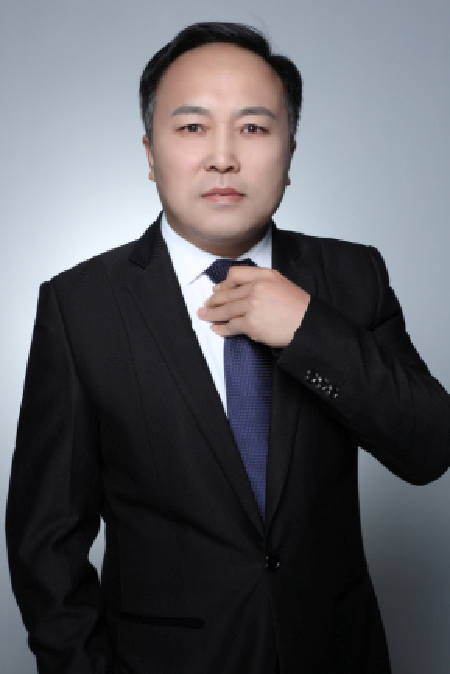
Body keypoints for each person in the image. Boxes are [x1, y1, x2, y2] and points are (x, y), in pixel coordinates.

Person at [5, 21, 450, 674]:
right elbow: (45, 543)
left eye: (253, 128)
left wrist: (310, 330)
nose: (222, 158)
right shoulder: (81, 307)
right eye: (192, 127)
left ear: (289, 152)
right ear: (150, 153)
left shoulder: (353, 277)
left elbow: (430, 447)